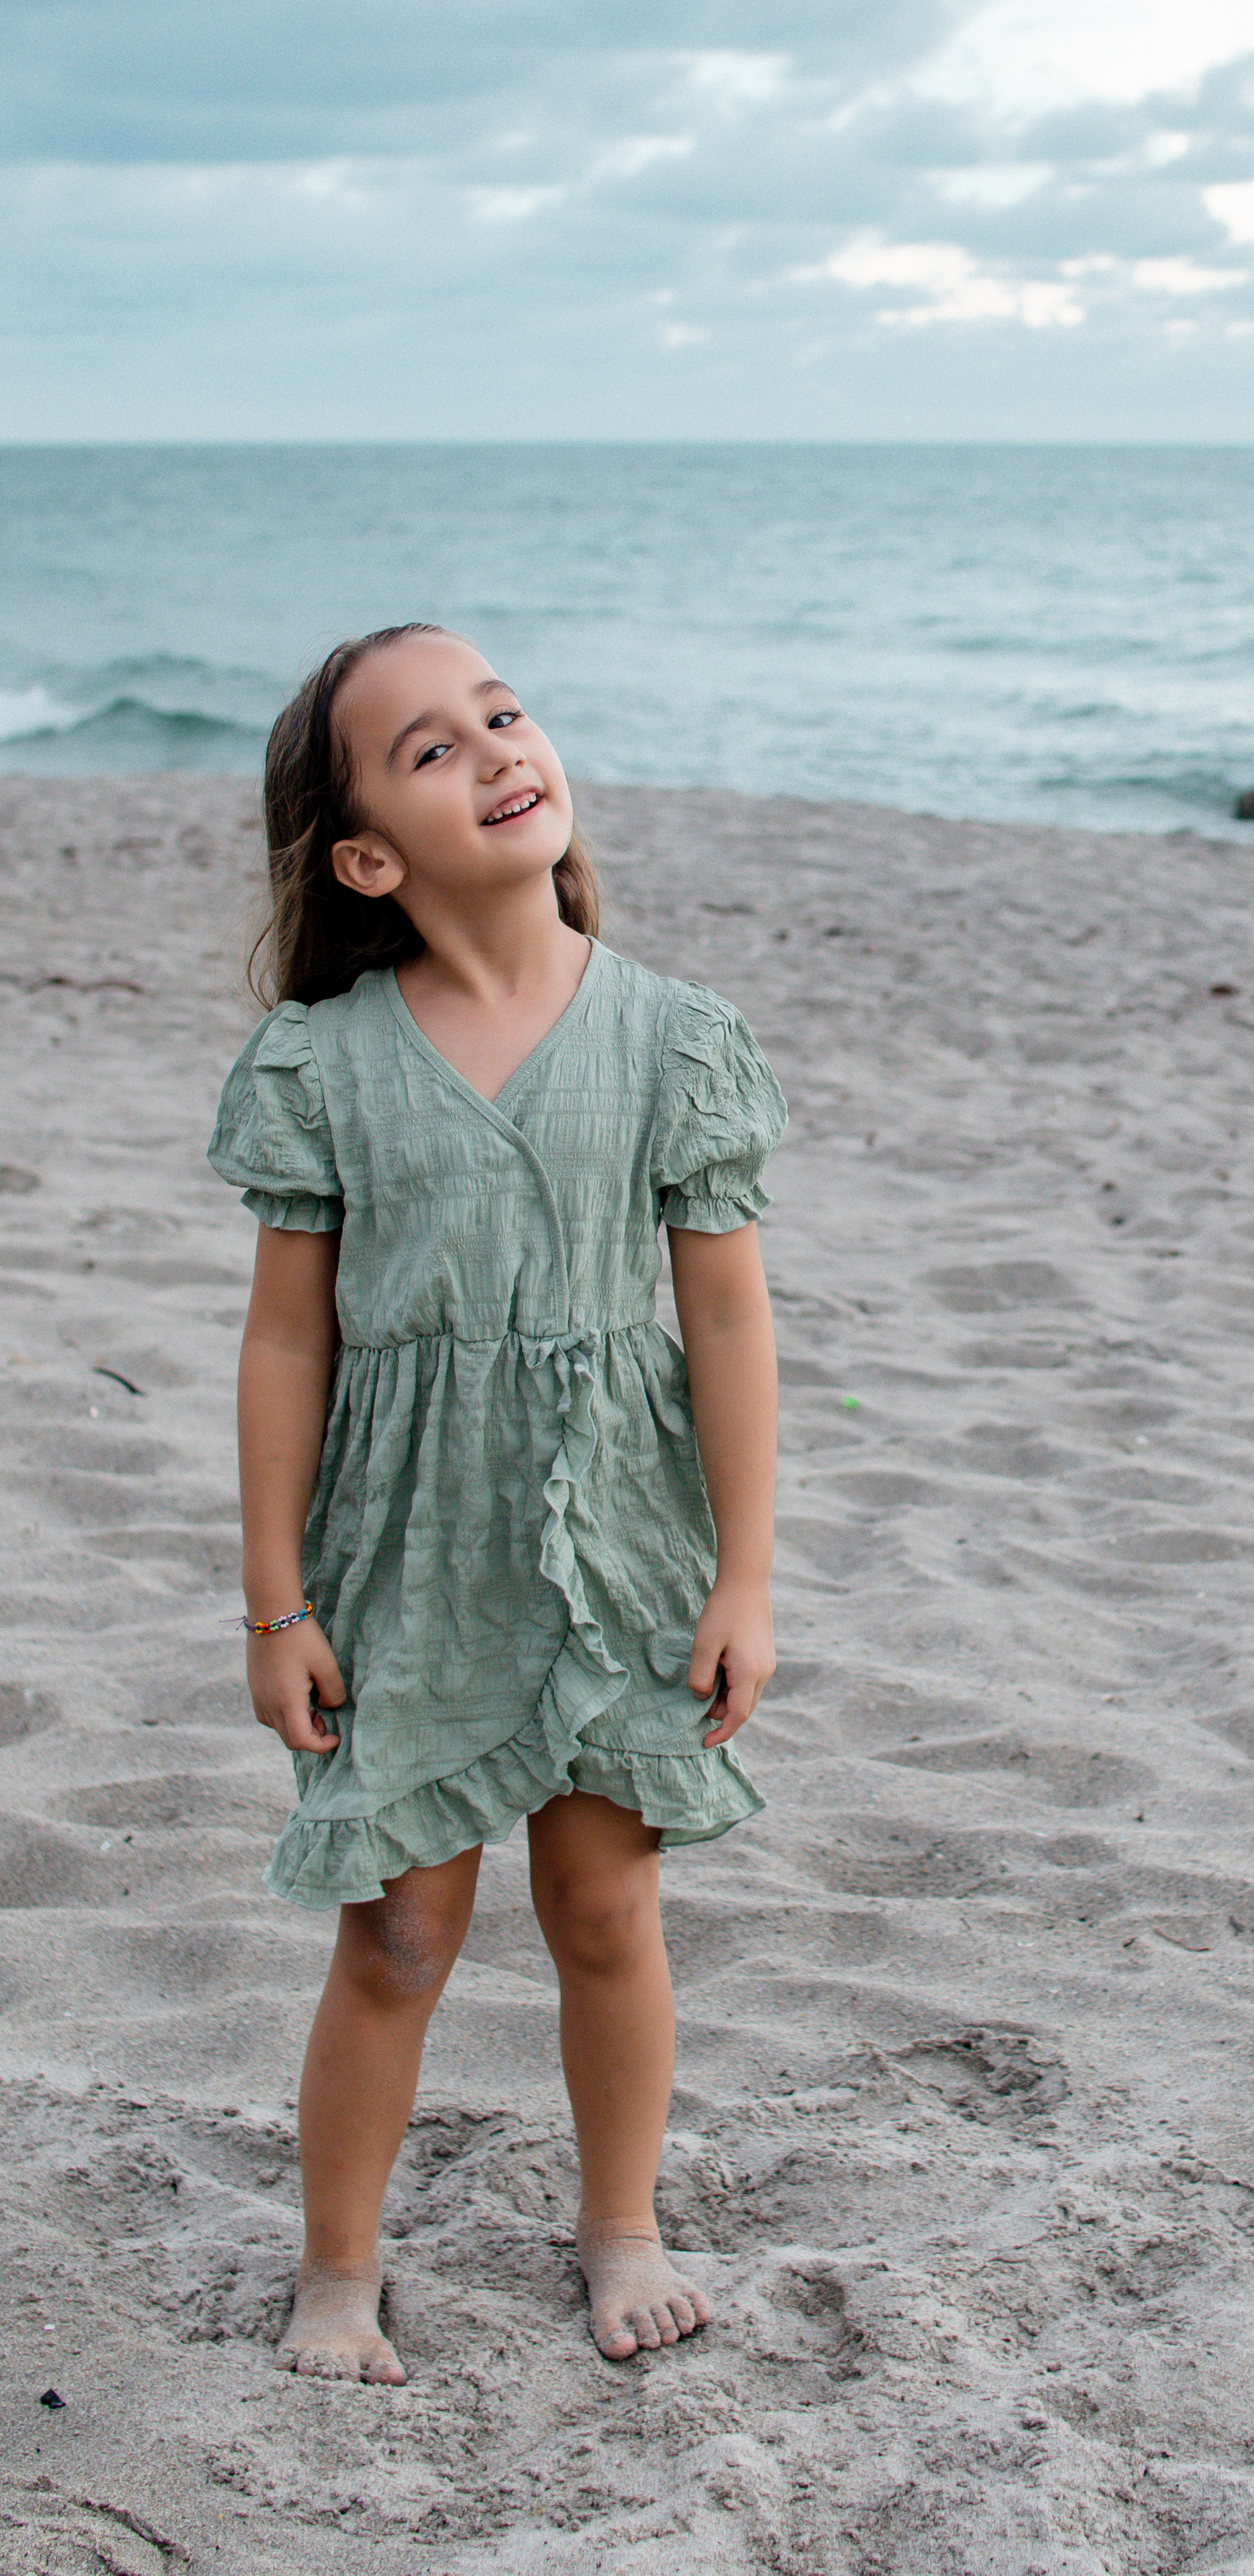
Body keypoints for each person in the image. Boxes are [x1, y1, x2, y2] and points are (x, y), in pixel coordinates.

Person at [207, 623, 786, 2385]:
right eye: (430, 748)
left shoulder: (674, 1036)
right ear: (368, 854)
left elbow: (728, 1316)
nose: (493, 746)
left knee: (607, 1910)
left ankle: (623, 2225)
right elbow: (285, 1348)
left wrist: (745, 1576)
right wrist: (275, 1601)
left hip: (621, 1542)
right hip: (409, 1560)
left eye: (503, 713)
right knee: (399, 1930)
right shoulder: (323, 1064)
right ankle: (335, 2270)